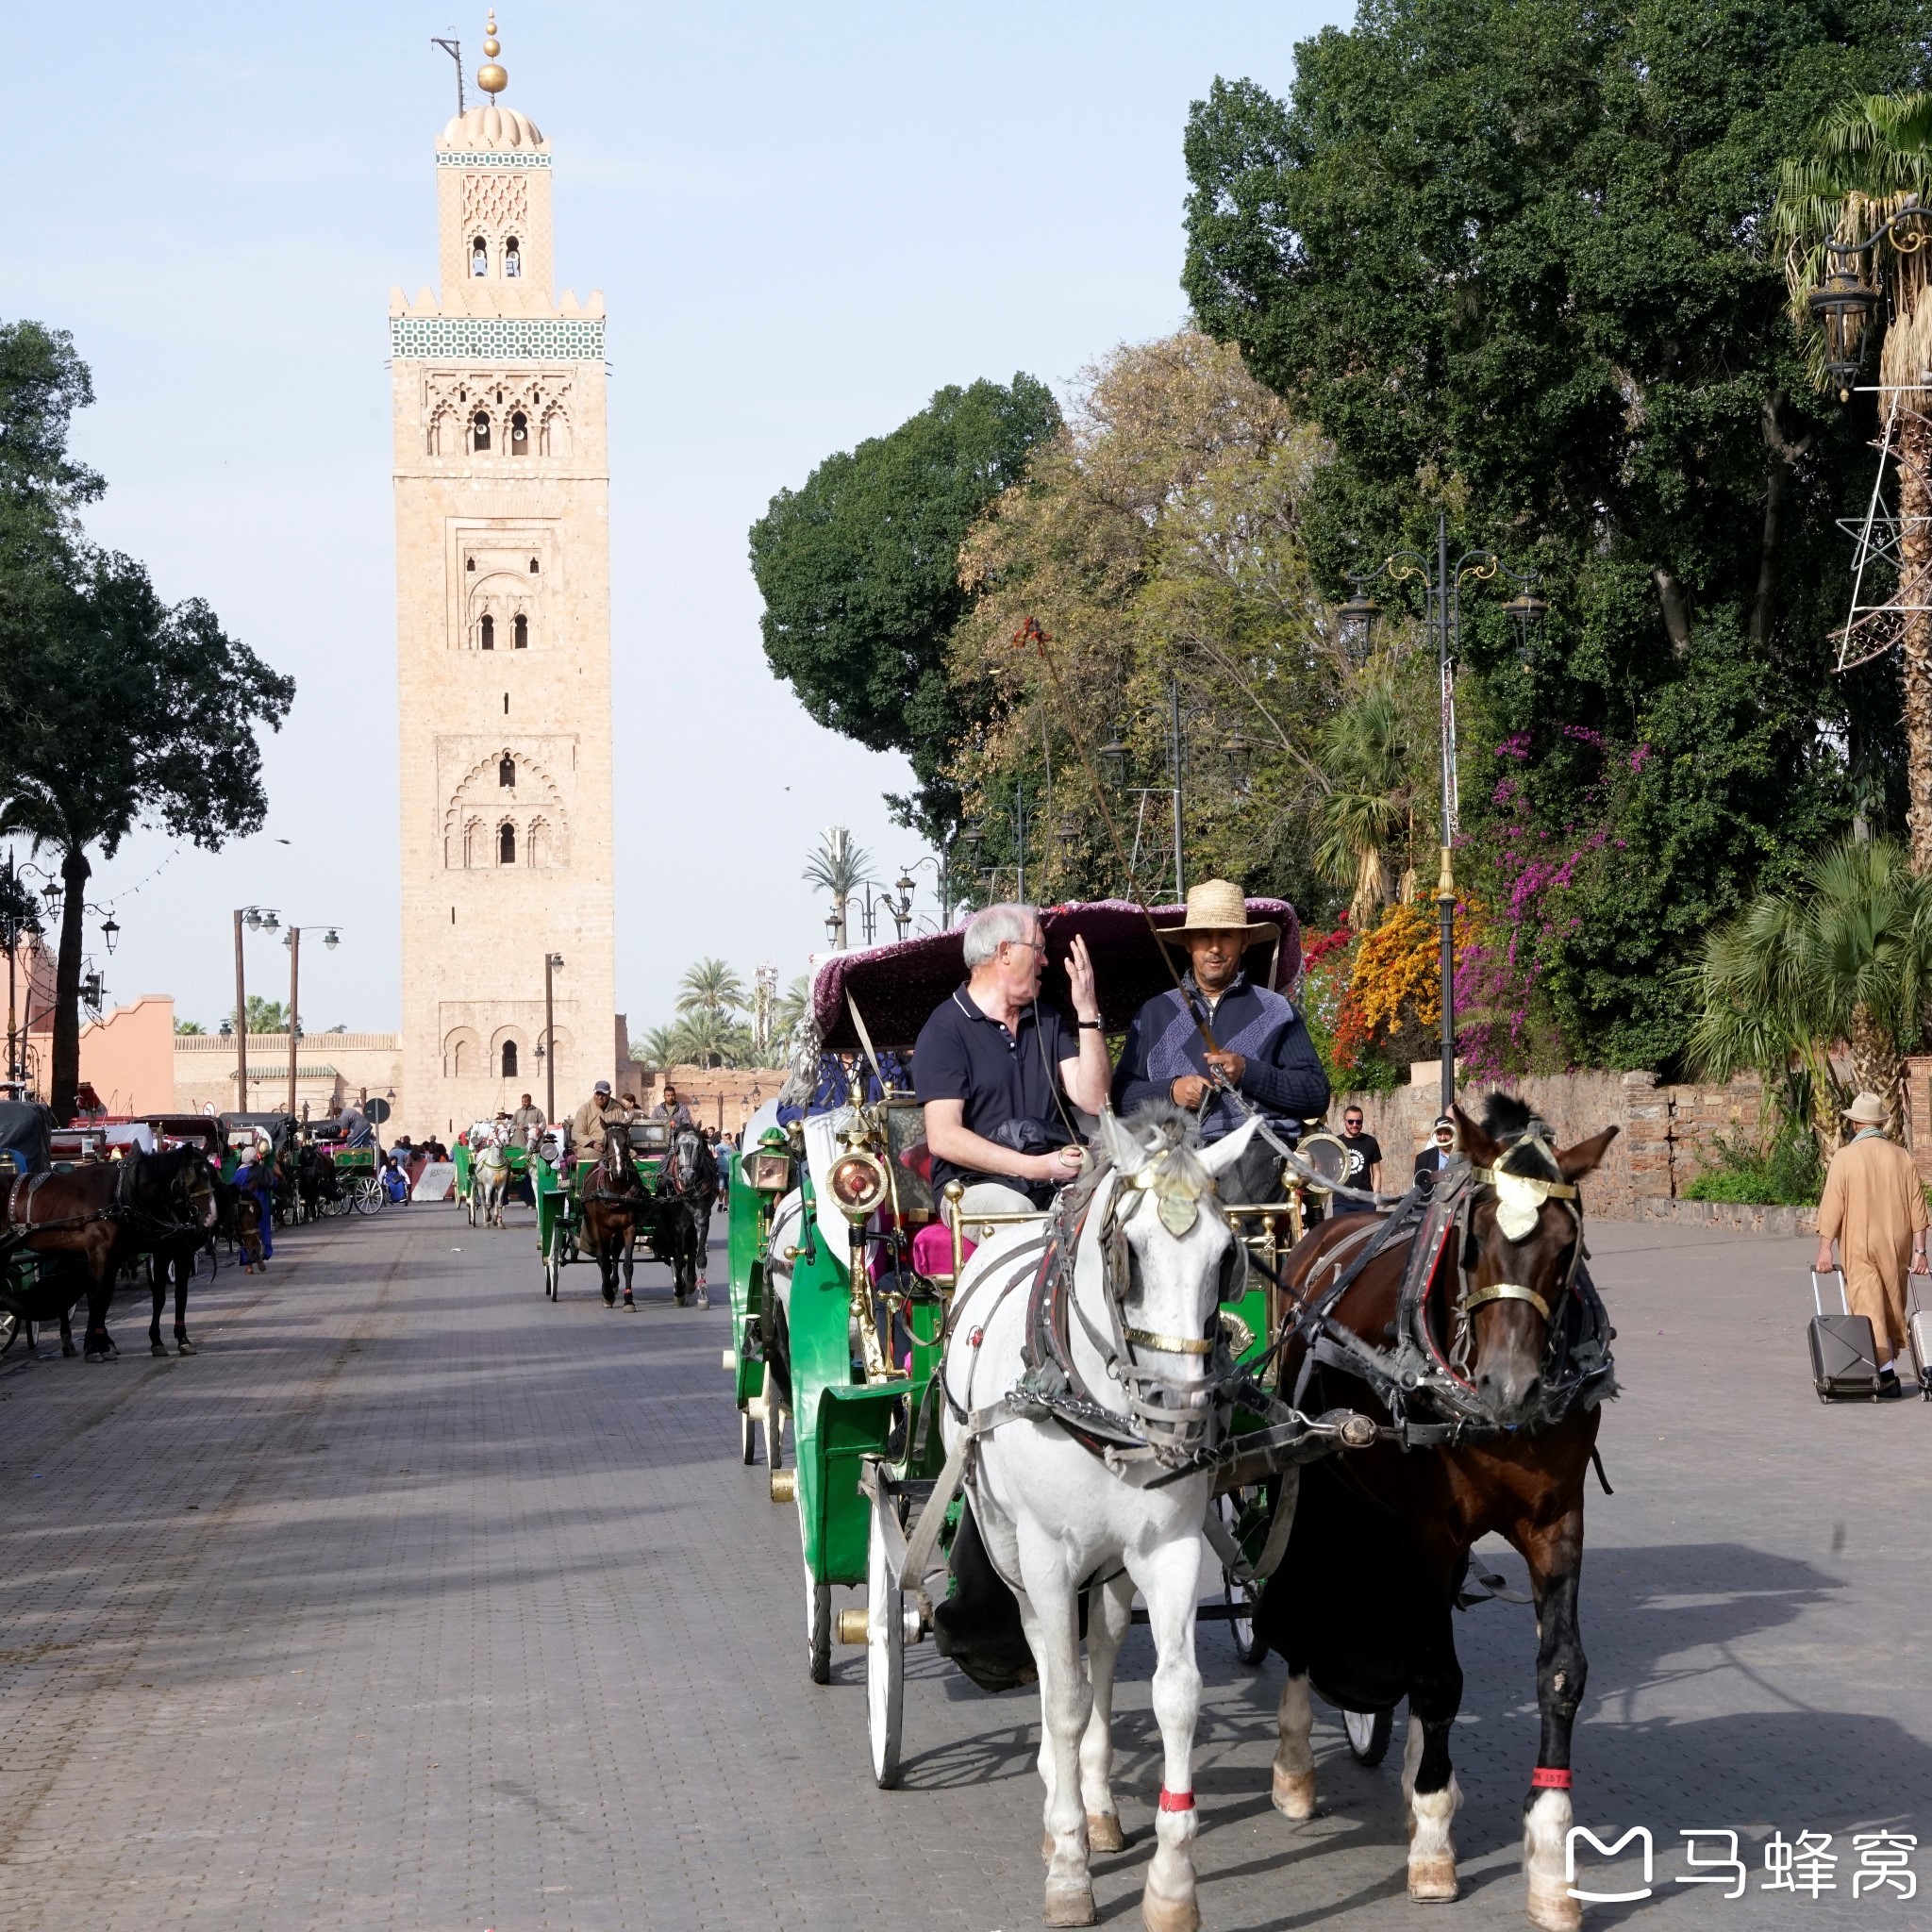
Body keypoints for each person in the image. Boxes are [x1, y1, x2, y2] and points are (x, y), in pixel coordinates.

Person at [915, 902, 1108, 1214]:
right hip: (971, 1185)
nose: (1045, 961)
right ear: (1004, 952)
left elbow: (1094, 1099)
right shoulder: (944, 1030)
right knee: (1017, 1210)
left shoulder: (1047, 1019)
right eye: (1038, 949)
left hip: (1055, 1178)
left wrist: (1087, 1011)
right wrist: (1035, 1167)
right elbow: (943, 1137)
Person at [1112, 879, 1329, 1145]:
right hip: (1170, 1161)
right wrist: (1172, 1091)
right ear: (1188, 942)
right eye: (1204, 935)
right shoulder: (1154, 1013)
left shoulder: (1276, 1011)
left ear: (1244, 941)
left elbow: (1316, 1095)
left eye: (1226, 935)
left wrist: (1247, 1072)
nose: (1215, 948)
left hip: (1256, 1157)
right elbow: (1120, 1096)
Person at [1814, 1091, 1929, 1398]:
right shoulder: (1901, 1156)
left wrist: (1825, 1248)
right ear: (1880, 1123)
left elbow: (1833, 1206)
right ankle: (1887, 1366)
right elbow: (1918, 1208)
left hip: (1858, 1241)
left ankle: (1884, 1374)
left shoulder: (1844, 1158)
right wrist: (1921, 1252)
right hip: (1897, 1241)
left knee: (1867, 1303)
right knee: (1892, 1302)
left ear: (1854, 1124)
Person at [569, 1080, 623, 1153]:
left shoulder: (618, 1110)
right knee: (588, 1154)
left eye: (603, 1094)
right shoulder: (585, 1109)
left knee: (632, 1154)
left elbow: (624, 1131)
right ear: (594, 1093)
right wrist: (593, 1144)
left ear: (609, 1094)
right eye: (598, 1094)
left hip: (614, 1148)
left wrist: (613, 1144)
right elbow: (578, 1133)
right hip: (591, 1148)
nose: (600, 1097)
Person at [1338, 1105, 1383, 1192]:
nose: (1355, 1125)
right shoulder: (1336, 1142)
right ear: (1344, 1121)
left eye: (1358, 1122)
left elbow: (1376, 1171)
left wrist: (1374, 1196)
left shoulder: (1370, 1142)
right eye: (1351, 1121)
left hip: (1366, 1200)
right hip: (1341, 1200)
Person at [1415, 1115, 1457, 1191]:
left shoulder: (1466, 1156)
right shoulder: (1423, 1159)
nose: (1443, 1138)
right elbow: (1417, 1190)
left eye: (1447, 1133)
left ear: (1453, 1133)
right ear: (1435, 1135)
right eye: (1439, 1134)